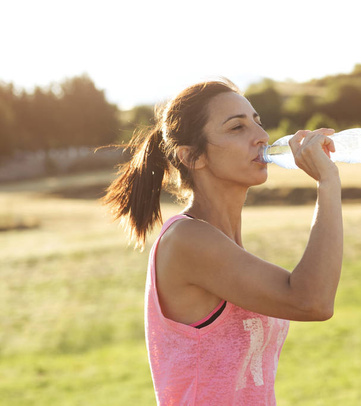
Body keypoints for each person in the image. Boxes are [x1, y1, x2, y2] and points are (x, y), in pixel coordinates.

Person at [103, 78, 343, 405]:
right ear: (191, 157)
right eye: (236, 128)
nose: (261, 137)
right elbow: (311, 301)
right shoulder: (187, 239)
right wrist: (328, 183)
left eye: (257, 122)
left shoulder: (223, 244)